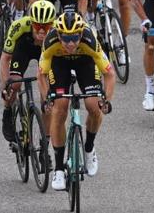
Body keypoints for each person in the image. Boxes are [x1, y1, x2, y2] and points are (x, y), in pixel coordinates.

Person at [39, 12, 115, 190]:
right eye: (66, 38)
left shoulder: (90, 41)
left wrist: (107, 101)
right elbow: (41, 74)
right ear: (59, 34)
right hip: (59, 63)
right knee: (60, 108)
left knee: (93, 106)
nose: (70, 43)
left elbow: (109, 74)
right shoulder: (50, 42)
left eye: (74, 37)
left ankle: (89, 148)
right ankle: (58, 168)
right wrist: (45, 98)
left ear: (81, 34)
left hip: (85, 61)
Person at [0, 0, 56, 141]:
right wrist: (6, 84)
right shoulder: (18, 26)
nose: (42, 30)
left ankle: (45, 144)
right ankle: (7, 111)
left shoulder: (57, 31)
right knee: (15, 84)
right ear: (31, 22)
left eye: (46, 26)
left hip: (46, 52)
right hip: (23, 48)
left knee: (48, 98)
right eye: (38, 26)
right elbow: (5, 58)